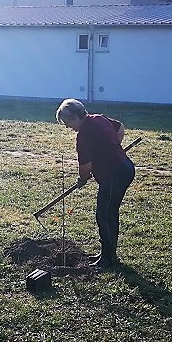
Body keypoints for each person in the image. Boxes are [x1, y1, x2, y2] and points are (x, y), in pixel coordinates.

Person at [55, 98, 135, 268]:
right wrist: (111, 148)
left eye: (68, 123)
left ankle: (108, 258)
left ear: (75, 117)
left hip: (115, 174)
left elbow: (85, 167)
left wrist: (82, 179)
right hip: (125, 168)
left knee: (105, 215)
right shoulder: (99, 118)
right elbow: (119, 128)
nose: (68, 127)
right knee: (108, 213)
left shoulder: (83, 135)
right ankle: (107, 253)